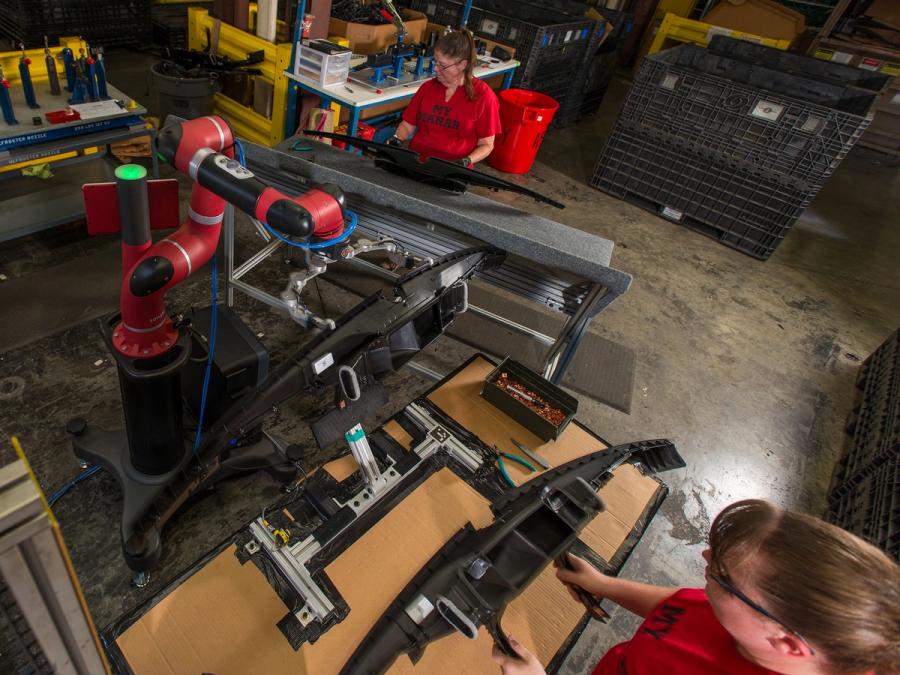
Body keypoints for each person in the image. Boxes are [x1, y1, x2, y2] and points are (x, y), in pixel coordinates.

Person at [491, 499, 900, 675]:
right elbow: (681, 607)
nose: (704, 561)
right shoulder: (755, 623)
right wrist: (604, 584)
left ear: (788, 644)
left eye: (721, 575)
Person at [387, 29, 501, 167]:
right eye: (436, 62)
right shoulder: (427, 88)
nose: (436, 69)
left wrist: (465, 161)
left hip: (452, 169)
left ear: (462, 65)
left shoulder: (484, 97)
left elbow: (487, 145)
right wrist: (397, 138)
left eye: (443, 65)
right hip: (417, 162)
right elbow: (407, 124)